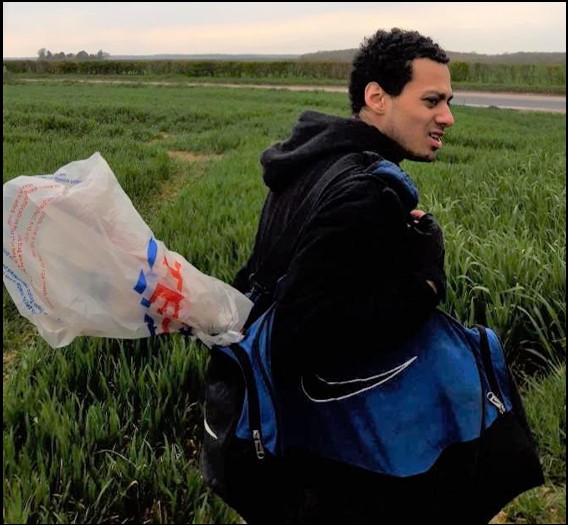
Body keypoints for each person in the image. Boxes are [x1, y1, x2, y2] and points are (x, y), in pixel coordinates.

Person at [199, 28, 539, 523]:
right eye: (431, 100)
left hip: (299, 442)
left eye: (449, 100)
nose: (447, 116)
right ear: (377, 97)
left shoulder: (311, 165)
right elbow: (308, 329)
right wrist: (425, 279)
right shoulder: (360, 190)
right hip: (342, 457)